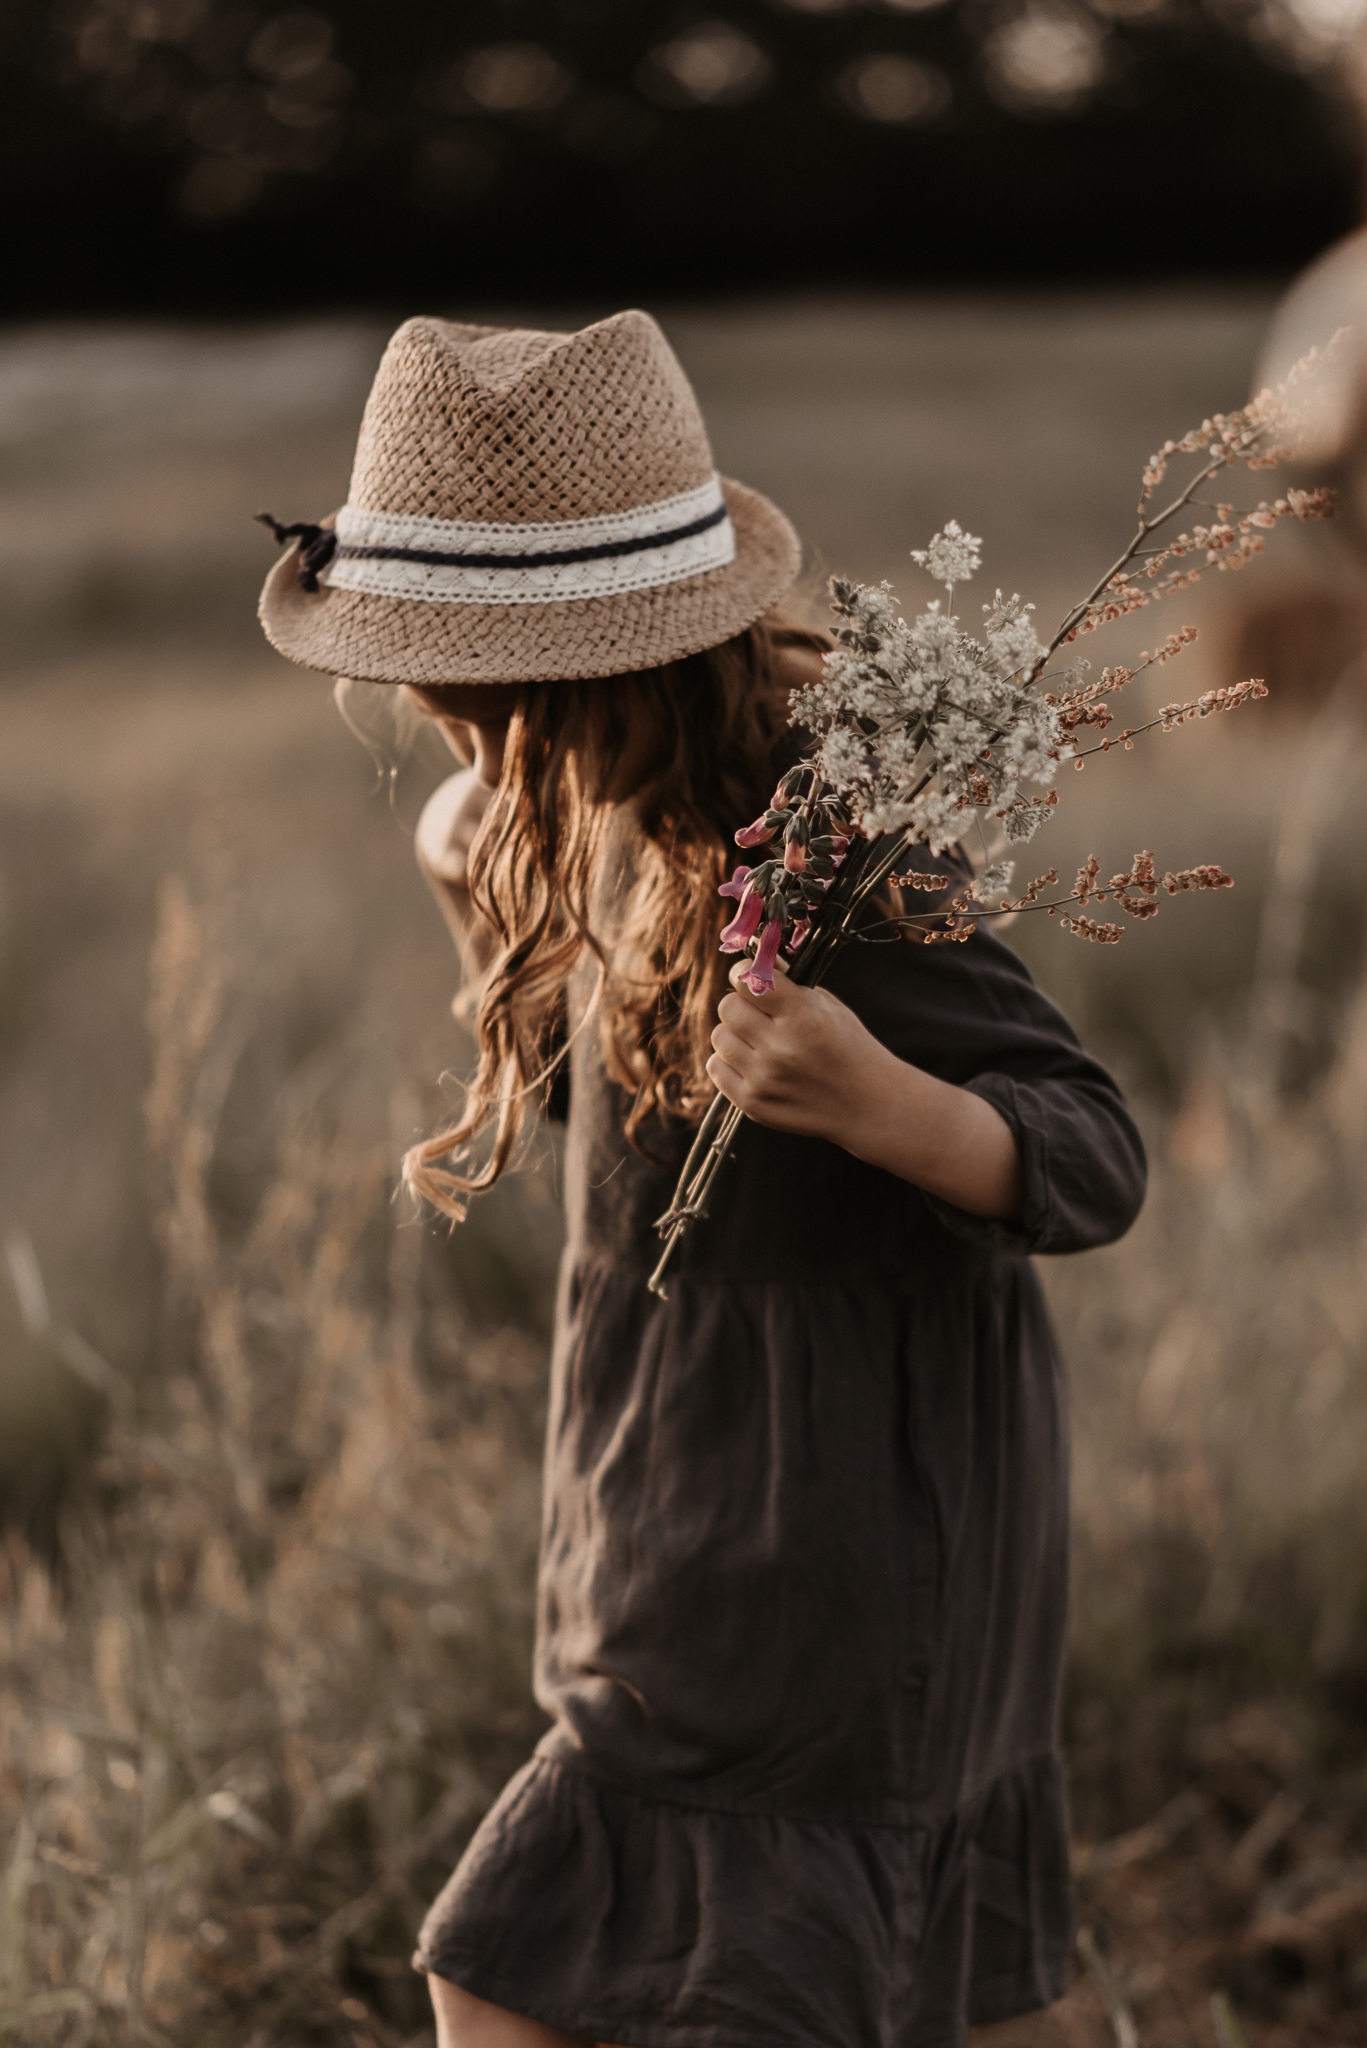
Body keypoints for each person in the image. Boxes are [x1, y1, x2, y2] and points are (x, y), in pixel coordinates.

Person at [258, 309, 1147, 2048]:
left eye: (458, 693)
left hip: (828, 1548)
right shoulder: (617, 813)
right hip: (675, 1515)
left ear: (586, 677)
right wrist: (491, 910)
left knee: (510, 1968)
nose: (441, 734)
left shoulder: (827, 850)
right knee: (542, 1968)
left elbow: (1093, 1148)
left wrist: (886, 1099)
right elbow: (630, 1128)